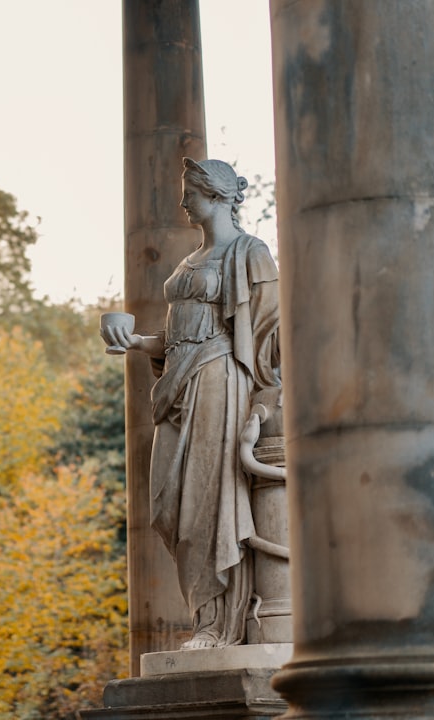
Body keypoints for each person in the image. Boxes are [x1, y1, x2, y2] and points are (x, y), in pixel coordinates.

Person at [103, 158, 280, 649]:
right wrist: (136, 342)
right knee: (168, 503)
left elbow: (270, 340)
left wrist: (262, 410)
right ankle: (205, 615)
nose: (183, 202)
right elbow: (179, 336)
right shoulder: (188, 262)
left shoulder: (251, 254)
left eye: (191, 192)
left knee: (207, 501)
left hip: (219, 382)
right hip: (178, 386)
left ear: (218, 195)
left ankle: (217, 623)